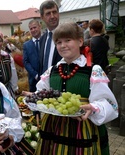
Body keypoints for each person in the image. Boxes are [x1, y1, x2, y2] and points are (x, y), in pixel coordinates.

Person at [27, 22, 118, 155]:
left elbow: (109, 103)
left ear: (80, 41)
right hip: (53, 128)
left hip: (83, 129)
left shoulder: (93, 70)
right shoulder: (52, 71)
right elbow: (42, 93)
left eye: (68, 40)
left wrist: (93, 107)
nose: (63, 45)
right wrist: (33, 97)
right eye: (58, 42)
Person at [39, 0, 62, 76]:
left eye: (54, 12)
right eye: (48, 13)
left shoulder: (67, 36)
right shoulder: (42, 39)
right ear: (42, 17)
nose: (52, 16)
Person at [23, 19, 41, 92]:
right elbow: (26, 62)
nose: (33, 30)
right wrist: (35, 75)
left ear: (39, 27)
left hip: (47, 77)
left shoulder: (46, 41)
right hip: (33, 80)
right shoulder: (26, 45)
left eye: (35, 27)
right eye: (31, 29)